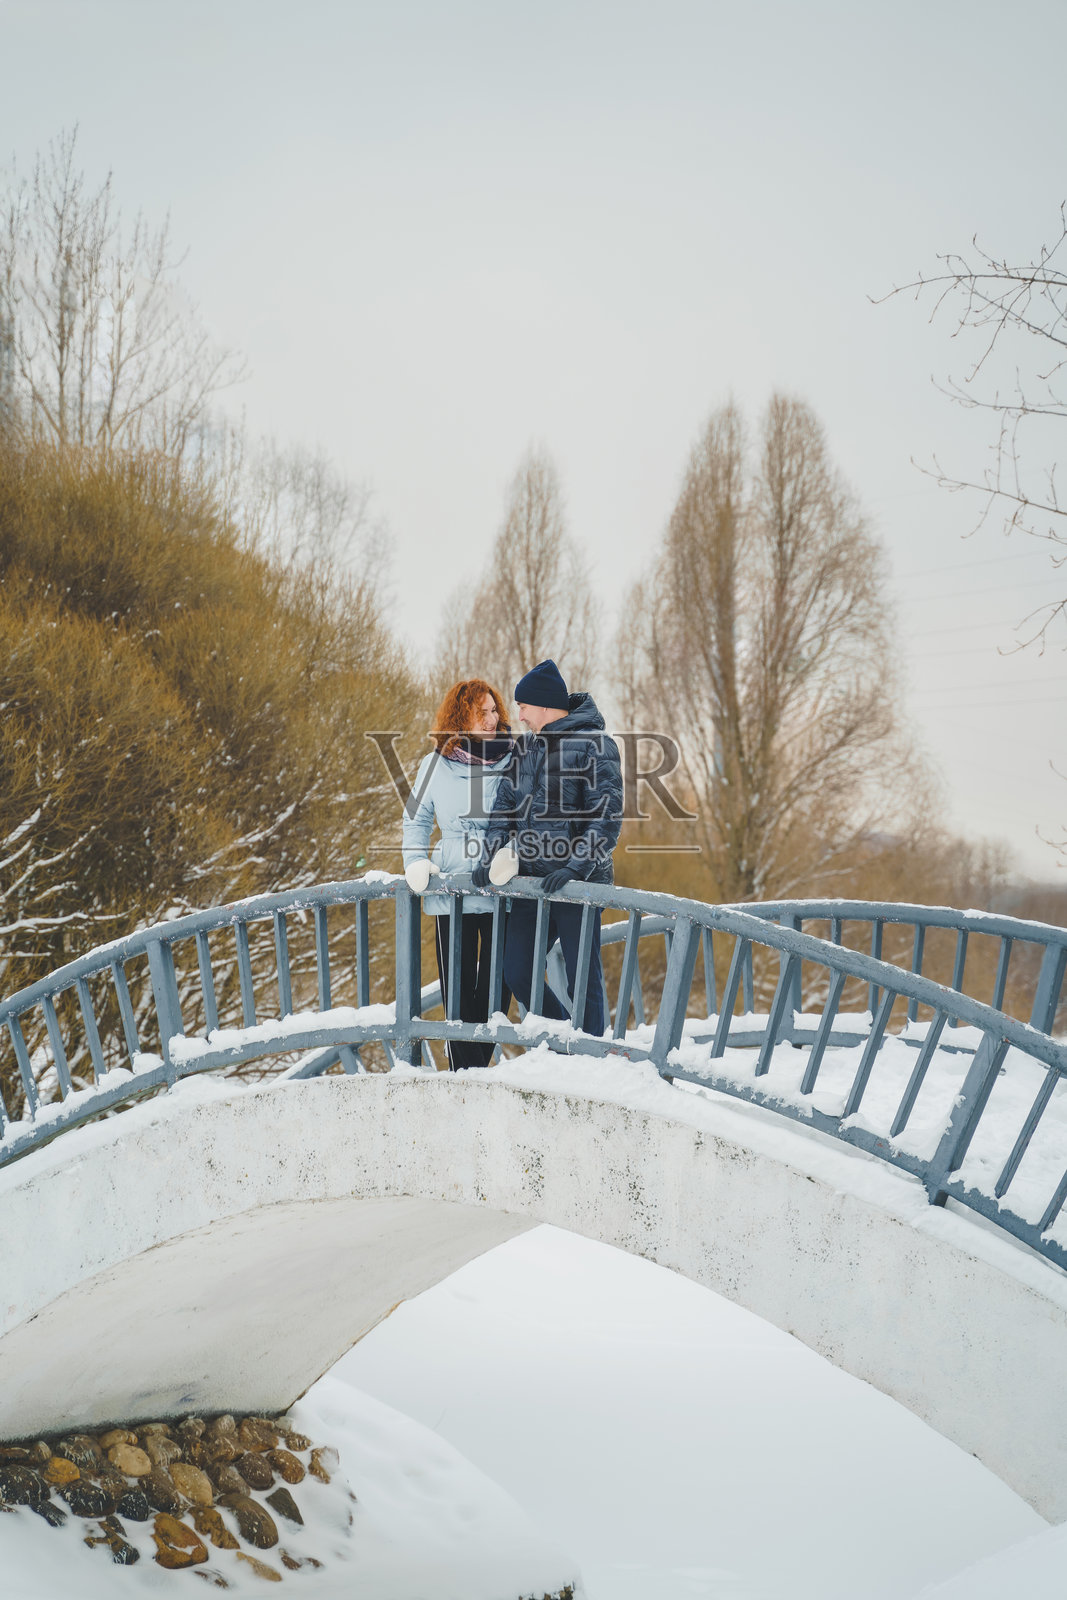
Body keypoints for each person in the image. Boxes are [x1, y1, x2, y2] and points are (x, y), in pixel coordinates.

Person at [472, 658, 622, 1035]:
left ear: (543, 705)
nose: (520, 715)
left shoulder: (596, 746)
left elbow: (606, 816)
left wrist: (575, 868)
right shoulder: (525, 750)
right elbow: (503, 810)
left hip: (578, 883)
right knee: (517, 971)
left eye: (523, 706)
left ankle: (589, 1054)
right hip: (533, 883)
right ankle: (563, 1039)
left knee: (581, 980)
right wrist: (490, 858)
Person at [402, 678, 515, 1069]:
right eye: (481, 712)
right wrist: (414, 862)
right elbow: (415, 821)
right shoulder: (434, 765)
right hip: (451, 886)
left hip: (502, 882)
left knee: (498, 991)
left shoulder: (514, 760)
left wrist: (514, 852)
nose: (491, 719)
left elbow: (528, 817)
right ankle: (467, 1077)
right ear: (460, 716)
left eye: (494, 710)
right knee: (458, 990)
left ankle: (470, 1075)